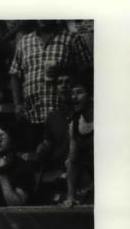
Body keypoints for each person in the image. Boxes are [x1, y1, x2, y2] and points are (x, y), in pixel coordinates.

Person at [10, 20, 92, 149]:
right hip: (32, 114)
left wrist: (64, 69)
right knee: (37, 160)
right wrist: (17, 105)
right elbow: (15, 74)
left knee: (63, 157)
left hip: (64, 114)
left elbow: (88, 72)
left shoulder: (72, 39)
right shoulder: (24, 41)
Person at [63, 72, 93, 207]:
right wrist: (71, 196)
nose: (74, 97)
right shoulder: (73, 125)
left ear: (92, 95)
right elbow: (72, 163)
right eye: (72, 93)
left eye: (79, 92)